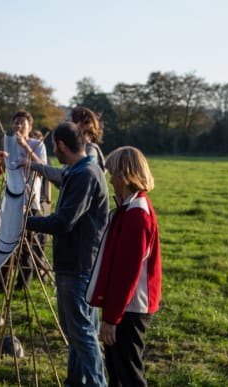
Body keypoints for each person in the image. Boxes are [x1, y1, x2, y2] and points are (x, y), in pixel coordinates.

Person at [26, 121, 109, 386]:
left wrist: (24, 221)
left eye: (55, 147)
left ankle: (97, 383)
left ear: (61, 146)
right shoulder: (81, 171)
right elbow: (61, 178)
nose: (55, 151)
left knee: (82, 333)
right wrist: (37, 167)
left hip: (78, 266)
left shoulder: (85, 175)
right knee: (77, 333)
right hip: (78, 265)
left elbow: (63, 222)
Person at [86, 146, 162, 386]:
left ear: (125, 175)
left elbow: (126, 273)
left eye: (113, 174)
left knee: (129, 373)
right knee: (117, 371)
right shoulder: (130, 208)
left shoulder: (136, 215)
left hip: (130, 308)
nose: (110, 179)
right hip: (125, 307)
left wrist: (111, 319)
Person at [2, 110, 48, 290]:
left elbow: (43, 167)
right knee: (6, 243)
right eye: (16, 123)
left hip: (30, 201)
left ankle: (23, 285)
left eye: (22, 123)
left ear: (30, 126)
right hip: (11, 199)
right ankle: (2, 283)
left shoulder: (37, 144)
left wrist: (26, 149)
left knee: (27, 246)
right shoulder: (8, 142)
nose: (18, 126)